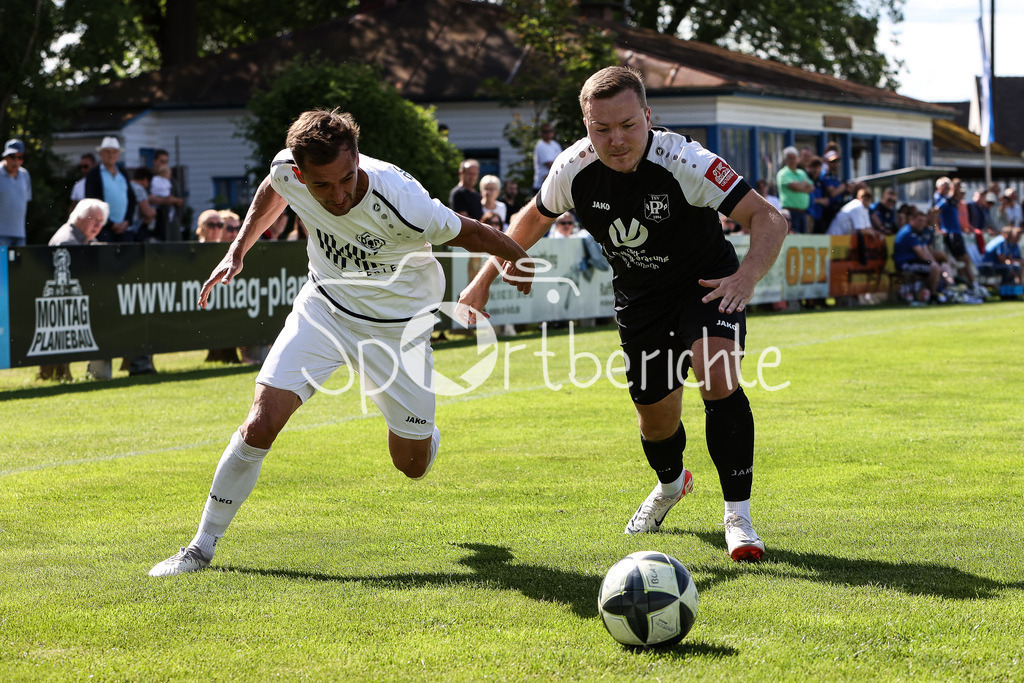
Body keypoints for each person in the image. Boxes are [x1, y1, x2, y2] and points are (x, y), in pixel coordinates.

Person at [149, 108, 532, 576]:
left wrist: (515, 259)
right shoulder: (286, 170)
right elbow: (273, 190)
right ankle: (200, 547)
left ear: (357, 159)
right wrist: (238, 248)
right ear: (301, 171)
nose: (339, 194)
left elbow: (473, 231)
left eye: (347, 178)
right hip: (325, 309)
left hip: (398, 330)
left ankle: (426, 431)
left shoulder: (404, 201)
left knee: (411, 465)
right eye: (322, 186)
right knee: (260, 423)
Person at [459, 66, 787, 562]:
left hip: (705, 285)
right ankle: (673, 484)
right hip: (640, 298)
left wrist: (745, 278)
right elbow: (531, 219)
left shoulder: (687, 160)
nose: (616, 140)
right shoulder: (573, 167)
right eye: (601, 128)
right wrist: (482, 281)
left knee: (717, 377)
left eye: (628, 125)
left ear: (648, 117)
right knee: (656, 421)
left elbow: (768, 217)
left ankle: (738, 518)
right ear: (586, 126)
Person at [37, 199, 110, 382]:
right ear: (80, 217)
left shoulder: (86, 239)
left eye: (101, 222)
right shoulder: (66, 240)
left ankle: (98, 374)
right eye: (94, 220)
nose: (97, 225)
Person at [84, 137, 136, 243]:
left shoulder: (123, 172)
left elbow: (131, 198)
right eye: (107, 152)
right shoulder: (94, 174)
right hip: (103, 229)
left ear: (118, 154)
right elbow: (92, 203)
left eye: (114, 152)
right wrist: (111, 224)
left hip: (123, 228)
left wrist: (127, 221)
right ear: (101, 154)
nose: (111, 155)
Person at [893, 206, 943, 299]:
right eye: (920, 221)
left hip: (913, 262)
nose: (922, 224)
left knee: (937, 266)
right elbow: (921, 254)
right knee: (934, 268)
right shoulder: (909, 232)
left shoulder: (918, 232)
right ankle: (933, 295)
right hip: (905, 264)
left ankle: (936, 292)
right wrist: (933, 264)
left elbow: (926, 251)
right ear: (912, 220)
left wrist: (933, 262)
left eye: (924, 222)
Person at [0, 139, 32, 248]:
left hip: (20, 234)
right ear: (5, 156)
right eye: (12, 156)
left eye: (20, 157)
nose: (16, 161)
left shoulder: (25, 175)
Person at [148, 148, 185, 240]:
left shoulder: (173, 182)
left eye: (166, 162)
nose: (164, 164)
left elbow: (180, 201)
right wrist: (167, 200)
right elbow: (148, 198)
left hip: (171, 221)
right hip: (155, 221)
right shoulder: (149, 179)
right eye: (161, 161)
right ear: (154, 161)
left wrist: (173, 200)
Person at [776, 146, 812, 233]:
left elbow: (811, 188)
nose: (792, 160)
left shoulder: (802, 172)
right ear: (785, 160)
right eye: (789, 158)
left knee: (803, 239)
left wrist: (799, 186)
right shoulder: (783, 173)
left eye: (794, 158)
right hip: (790, 213)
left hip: (803, 212)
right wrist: (804, 185)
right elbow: (794, 186)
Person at [819, 150, 848, 229]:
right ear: (827, 162)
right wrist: (844, 186)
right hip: (828, 211)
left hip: (837, 209)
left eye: (837, 161)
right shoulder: (825, 175)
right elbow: (833, 193)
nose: (836, 164)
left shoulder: (835, 176)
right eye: (833, 161)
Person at [130, 167, 157, 240]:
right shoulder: (139, 189)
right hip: (133, 229)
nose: (148, 186)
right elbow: (147, 212)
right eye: (149, 183)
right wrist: (155, 212)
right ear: (145, 180)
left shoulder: (128, 185)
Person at [533, 122, 561, 191]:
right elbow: (549, 165)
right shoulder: (540, 146)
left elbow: (562, 160)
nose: (548, 133)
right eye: (545, 131)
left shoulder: (555, 144)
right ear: (541, 133)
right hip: (541, 185)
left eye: (550, 131)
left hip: (553, 184)